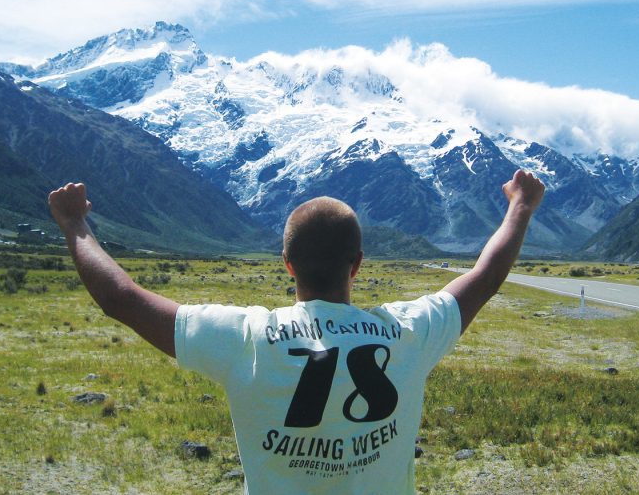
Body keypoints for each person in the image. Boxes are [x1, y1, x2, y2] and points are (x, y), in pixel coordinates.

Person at [48, 169, 545, 494]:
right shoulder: (407, 333)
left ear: (287, 265)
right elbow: (485, 277)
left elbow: (122, 299)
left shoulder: (245, 339)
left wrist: (75, 225)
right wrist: (520, 205)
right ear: (357, 265)